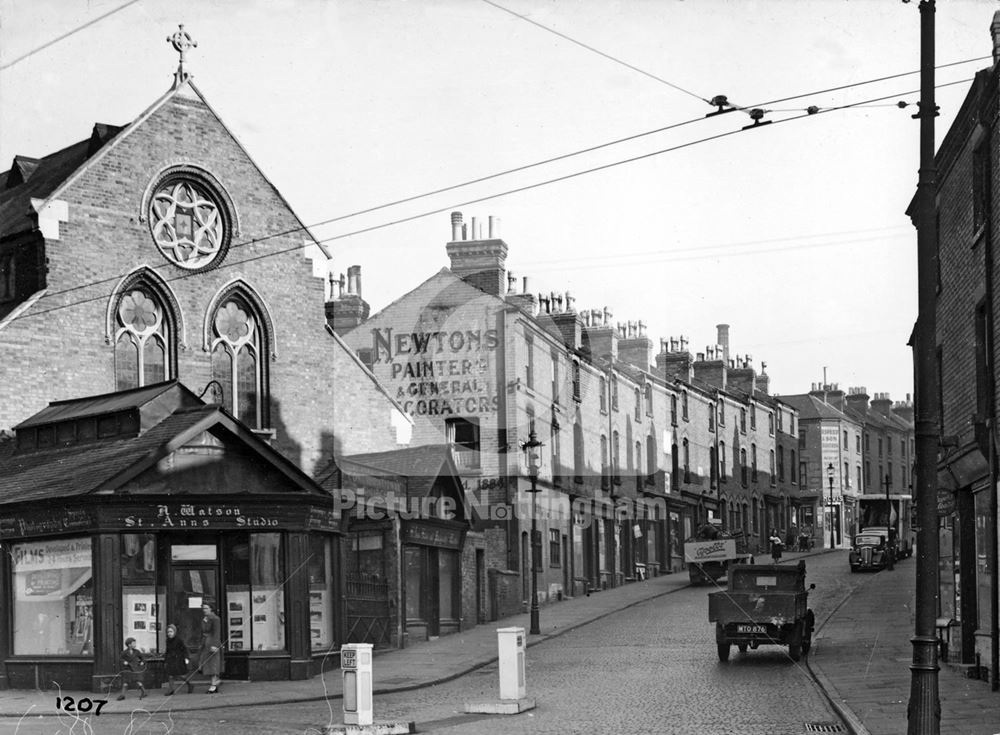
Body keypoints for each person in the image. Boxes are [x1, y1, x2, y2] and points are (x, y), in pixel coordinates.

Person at [199, 602, 224, 694]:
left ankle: (213, 685)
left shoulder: (215, 619)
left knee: (213, 665)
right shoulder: (205, 619)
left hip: (213, 643)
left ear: (211, 609)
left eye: (206, 608)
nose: (204, 610)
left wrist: (215, 645)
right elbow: (203, 631)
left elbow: (217, 633)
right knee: (208, 665)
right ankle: (215, 683)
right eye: (203, 608)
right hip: (206, 643)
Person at [164, 624, 192, 695]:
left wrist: (186, 658)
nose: (169, 633)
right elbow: (167, 651)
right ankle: (171, 690)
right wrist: (165, 660)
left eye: (171, 631)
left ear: (174, 632)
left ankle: (190, 684)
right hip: (170, 660)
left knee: (181, 675)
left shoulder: (179, 640)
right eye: (168, 632)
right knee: (170, 675)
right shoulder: (167, 641)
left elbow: (184, 649)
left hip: (178, 660)